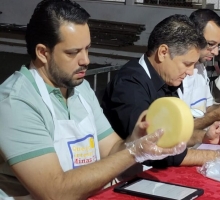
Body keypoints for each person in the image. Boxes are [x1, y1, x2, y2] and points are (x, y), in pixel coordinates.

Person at [0, 0, 190, 198]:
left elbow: (111, 150)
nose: (86, 60)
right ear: (43, 53)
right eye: (73, 52)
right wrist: (133, 152)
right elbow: (54, 191)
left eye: (87, 49)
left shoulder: (80, 89)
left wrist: (136, 140)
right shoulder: (16, 102)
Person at [101, 14, 220, 168]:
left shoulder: (169, 79)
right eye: (187, 64)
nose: (191, 72)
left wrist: (204, 137)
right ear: (163, 52)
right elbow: (155, 148)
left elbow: (171, 134)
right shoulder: (129, 84)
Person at [177, 9, 220, 130]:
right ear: (193, 37)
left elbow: (206, 108)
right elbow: (178, 128)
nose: (215, 52)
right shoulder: (175, 73)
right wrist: (216, 115)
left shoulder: (200, 68)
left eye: (219, 45)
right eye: (211, 44)